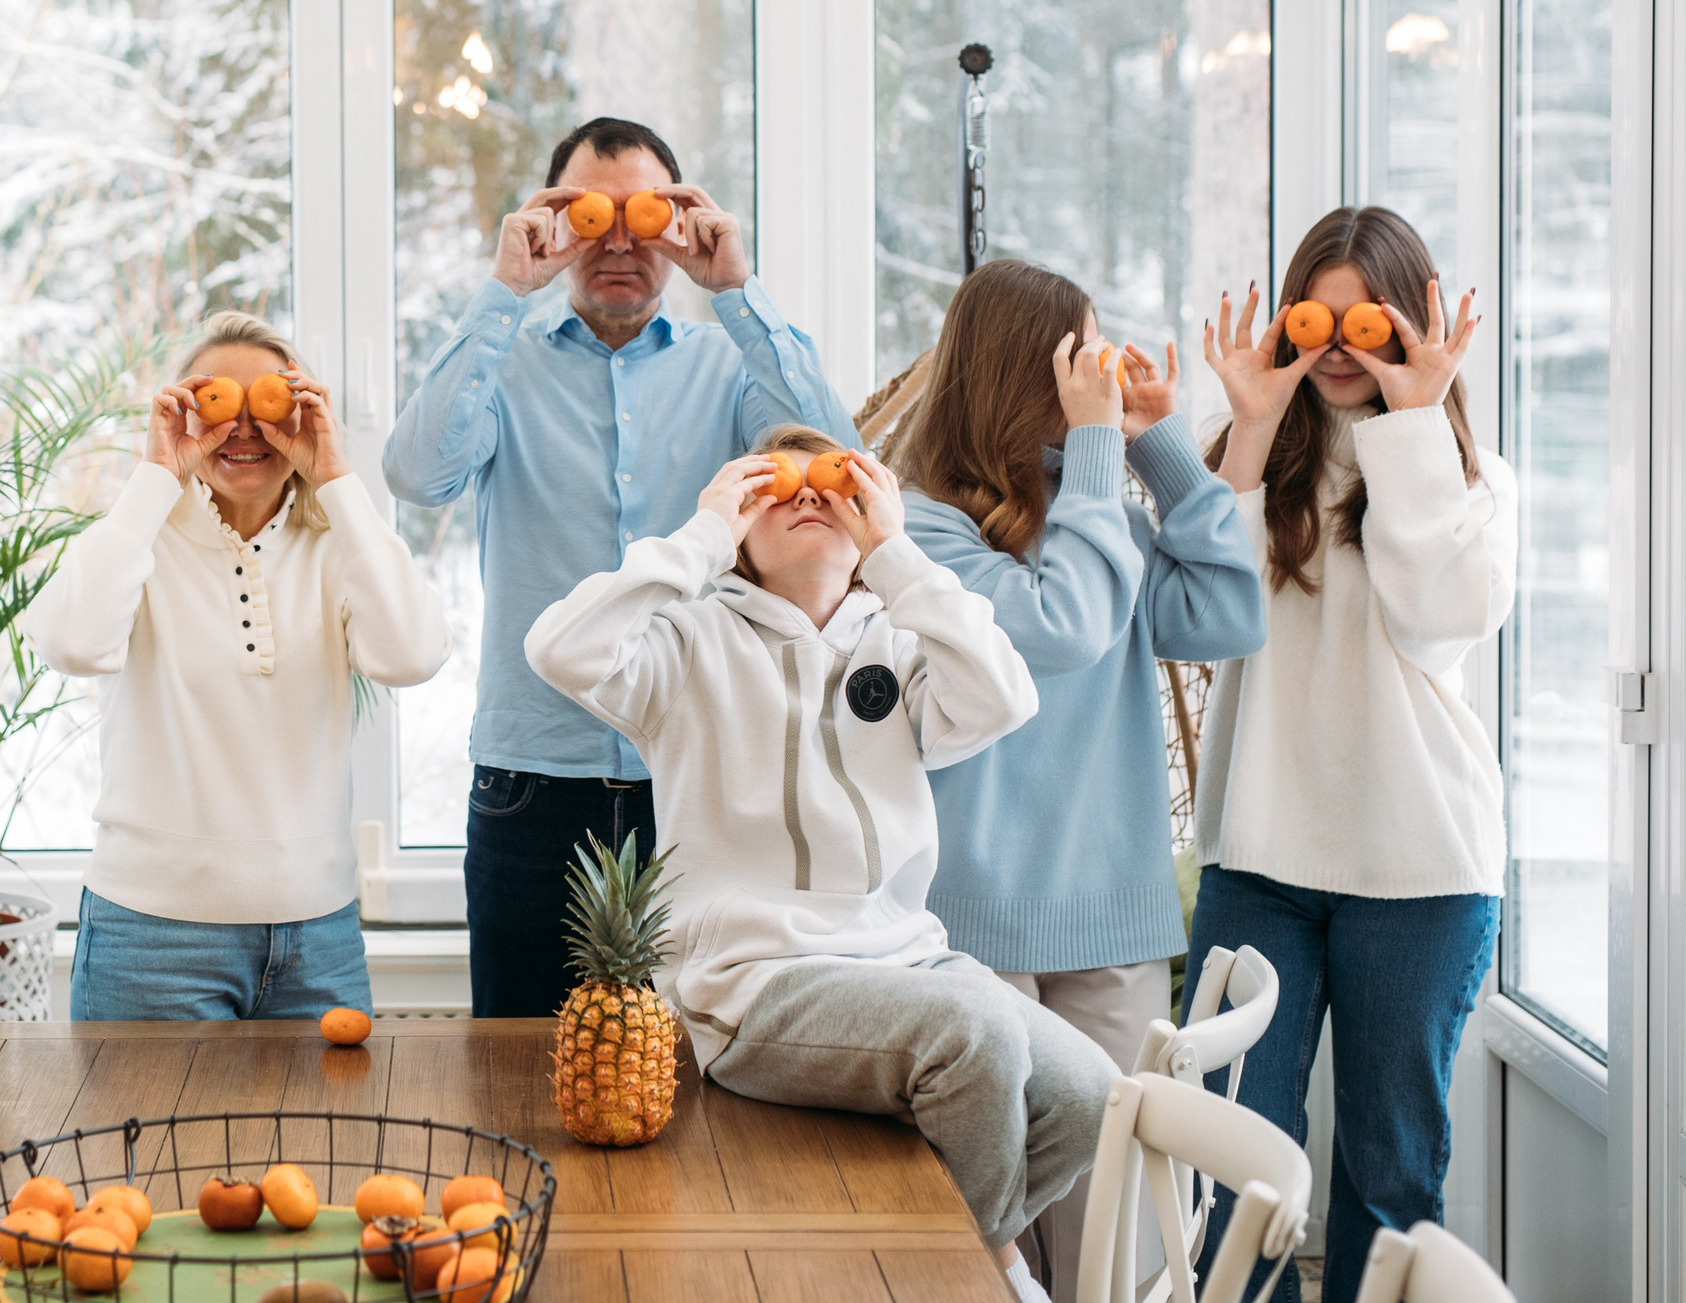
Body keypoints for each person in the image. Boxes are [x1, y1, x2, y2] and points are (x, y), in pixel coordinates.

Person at [526, 426, 1107, 1303]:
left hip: (907, 962)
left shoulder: (902, 638)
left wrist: (897, 555)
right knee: (975, 1029)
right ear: (739, 526)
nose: (807, 496)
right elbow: (558, 648)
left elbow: (1005, 697)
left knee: (1091, 1091)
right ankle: (984, 1274)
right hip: (755, 981)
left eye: (832, 484)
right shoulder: (685, 645)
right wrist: (700, 536)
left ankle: (929, 1255)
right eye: (776, 487)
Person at [383, 115, 856, 1018]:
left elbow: (839, 466)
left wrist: (737, 291)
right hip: (531, 787)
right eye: (594, 218)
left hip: (699, 776)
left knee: (698, 1077)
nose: (621, 244)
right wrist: (503, 291)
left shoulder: (731, 367)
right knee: (520, 1076)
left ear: (679, 227)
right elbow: (416, 473)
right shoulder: (503, 367)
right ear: (557, 227)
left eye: (647, 219)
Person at [893, 258, 1266, 1302]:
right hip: (976, 926)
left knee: (1120, 1235)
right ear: (1027, 373)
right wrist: (1104, 458)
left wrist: (1155, 445)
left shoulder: (1097, 508)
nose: (1097, 375)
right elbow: (1059, 627)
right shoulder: (924, 530)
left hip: (1108, 922)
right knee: (987, 1235)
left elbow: (1229, 616)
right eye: (1082, 356)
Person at [1186, 207, 1513, 1303]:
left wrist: (1414, 422)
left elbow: (1438, 620)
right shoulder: (1252, 464)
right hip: (1262, 860)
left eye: (1363, 318)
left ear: (1412, 324)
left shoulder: (1470, 478)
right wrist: (1246, 424)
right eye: (1315, 316)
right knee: (1232, 1167)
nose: (1336, 343)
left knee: (1387, 1179)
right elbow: (1206, 620)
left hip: (1418, 871)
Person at [30, 313, 447, 1019]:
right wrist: (159, 472)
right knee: (146, 1139)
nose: (246, 427)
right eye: (221, 403)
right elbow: (71, 642)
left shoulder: (338, 545)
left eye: (271, 404)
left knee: (329, 1137)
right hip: (150, 939)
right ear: (186, 411)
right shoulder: (138, 538)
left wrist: (337, 477)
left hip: (320, 937)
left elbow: (411, 654)